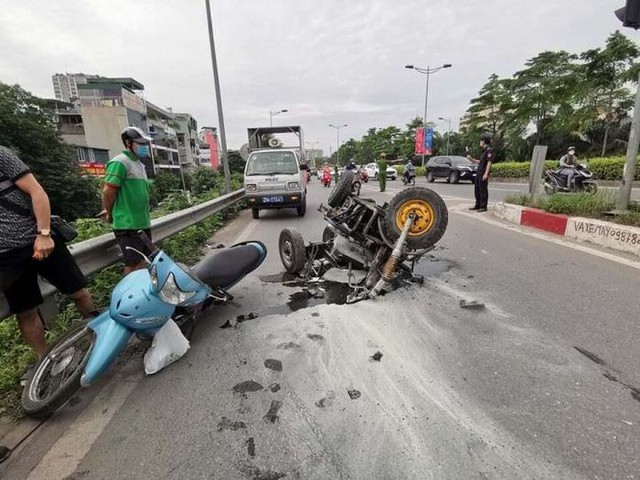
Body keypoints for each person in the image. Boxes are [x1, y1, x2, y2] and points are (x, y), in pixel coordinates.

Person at [0, 146, 95, 359]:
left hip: (40, 239)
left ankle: (97, 338)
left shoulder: (1, 155)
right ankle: (46, 364)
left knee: (77, 292)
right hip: (7, 256)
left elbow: (37, 191)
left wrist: (43, 234)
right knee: (26, 313)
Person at [101, 127, 153, 275]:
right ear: (128, 143)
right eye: (140, 143)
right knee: (133, 264)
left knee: (143, 261)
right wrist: (109, 212)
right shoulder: (120, 162)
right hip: (128, 224)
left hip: (142, 222)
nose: (144, 147)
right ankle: (129, 293)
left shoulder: (139, 164)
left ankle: (141, 293)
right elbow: (108, 191)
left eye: (145, 144)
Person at [466, 133, 494, 212]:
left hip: (483, 173)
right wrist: (472, 159)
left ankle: (483, 206)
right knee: (477, 189)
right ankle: (477, 205)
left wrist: (486, 174)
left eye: (481, 141)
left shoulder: (489, 151)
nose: (480, 142)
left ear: (484, 141)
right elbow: (481, 161)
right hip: (479, 172)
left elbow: (489, 162)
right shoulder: (483, 151)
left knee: (483, 190)